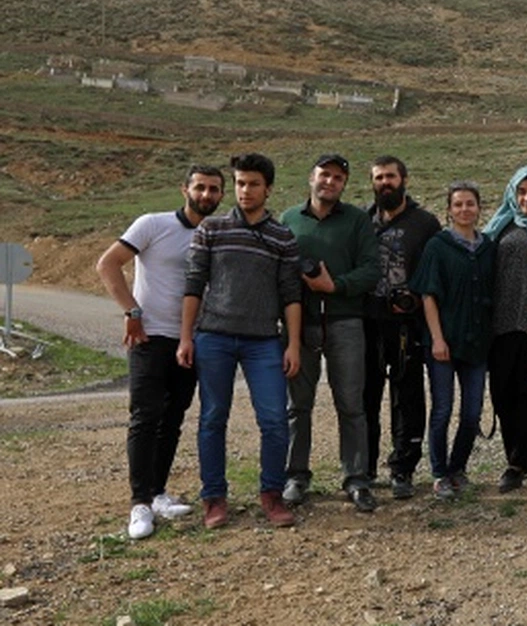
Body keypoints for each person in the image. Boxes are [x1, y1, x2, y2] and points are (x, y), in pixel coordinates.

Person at [97, 164, 224, 539]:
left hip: (194, 340)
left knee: (173, 418)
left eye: (214, 190)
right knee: (145, 417)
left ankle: (157, 494)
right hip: (150, 337)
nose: (206, 195)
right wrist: (131, 311)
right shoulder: (152, 224)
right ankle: (139, 504)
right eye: (200, 187)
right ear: (184, 188)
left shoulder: (216, 233)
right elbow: (108, 264)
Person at [177, 153, 302, 530]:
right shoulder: (211, 229)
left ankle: (272, 494)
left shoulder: (282, 236)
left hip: (264, 341)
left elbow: (291, 294)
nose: (245, 191)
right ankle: (214, 498)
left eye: (253, 184)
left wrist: (292, 343)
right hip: (214, 337)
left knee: (275, 420)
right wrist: (186, 337)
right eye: (240, 183)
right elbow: (194, 284)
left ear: (268, 189)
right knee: (213, 419)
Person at [279, 154, 380, 513]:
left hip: (346, 322)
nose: (330, 182)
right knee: (297, 405)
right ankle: (295, 476)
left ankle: (356, 478)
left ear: (344, 184)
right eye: (325, 175)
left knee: (352, 404)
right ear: (311, 177)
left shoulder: (357, 221)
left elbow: (372, 270)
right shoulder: (289, 219)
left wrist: (334, 285)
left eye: (338, 178)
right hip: (299, 324)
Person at [409, 181, 496, 500]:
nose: (464, 210)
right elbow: (428, 294)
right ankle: (438, 472)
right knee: (442, 409)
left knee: (472, 411)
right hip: (444, 342)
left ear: (479, 207)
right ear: (449, 210)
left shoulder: (488, 247)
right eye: (458, 204)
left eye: (470, 204)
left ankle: (458, 467)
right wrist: (436, 339)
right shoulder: (438, 246)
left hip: (477, 344)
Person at [362, 155, 442, 500]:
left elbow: (434, 271)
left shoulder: (425, 222)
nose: (385, 183)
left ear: (404, 179)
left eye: (390, 176)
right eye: (379, 178)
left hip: (408, 323)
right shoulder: (362, 219)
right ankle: (363, 468)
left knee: (407, 396)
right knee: (365, 395)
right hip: (368, 320)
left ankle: (403, 469)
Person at [483, 166, 527, 494]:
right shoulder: (498, 227)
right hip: (501, 324)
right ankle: (516, 461)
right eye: (521, 192)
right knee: (504, 393)